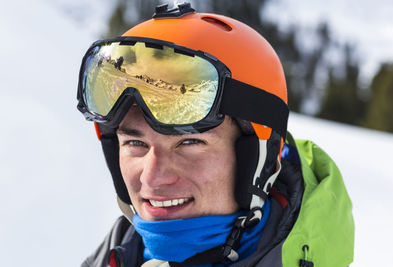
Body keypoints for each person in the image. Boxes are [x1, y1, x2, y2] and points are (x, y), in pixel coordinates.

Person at [76, 3, 354, 267]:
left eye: (189, 142)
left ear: (259, 162)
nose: (152, 178)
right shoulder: (118, 255)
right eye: (136, 143)